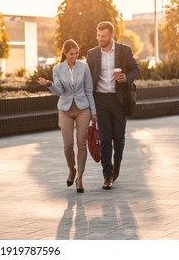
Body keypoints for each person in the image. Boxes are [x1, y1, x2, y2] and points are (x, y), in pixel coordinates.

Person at [38, 39, 97, 193]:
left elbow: (89, 90)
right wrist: (49, 84)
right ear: (65, 53)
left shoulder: (84, 67)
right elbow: (60, 91)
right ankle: (72, 169)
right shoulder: (57, 69)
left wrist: (94, 112)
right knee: (68, 145)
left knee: (81, 144)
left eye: (76, 53)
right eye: (71, 54)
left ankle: (80, 179)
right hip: (65, 109)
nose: (74, 56)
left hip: (83, 108)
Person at [86, 21, 140, 189]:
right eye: (98, 35)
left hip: (118, 100)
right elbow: (88, 78)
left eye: (103, 36)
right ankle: (107, 175)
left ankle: (117, 165)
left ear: (111, 36)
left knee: (119, 138)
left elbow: (136, 70)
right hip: (100, 100)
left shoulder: (124, 50)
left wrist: (126, 77)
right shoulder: (92, 53)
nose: (100, 39)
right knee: (105, 138)